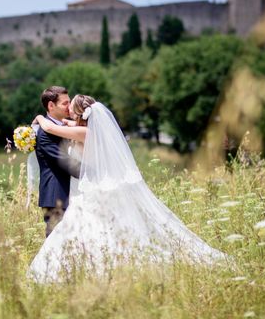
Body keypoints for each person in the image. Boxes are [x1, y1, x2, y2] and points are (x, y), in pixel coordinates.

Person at [28, 94, 230, 283]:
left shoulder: (84, 132)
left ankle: (87, 267)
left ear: (81, 114)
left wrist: (39, 117)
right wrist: (65, 121)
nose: (69, 112)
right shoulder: (91, 131)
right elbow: (67, 124)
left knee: (93, 229)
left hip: (95, 190)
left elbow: (53, 129)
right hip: (97, 187)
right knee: (105, 228)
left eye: (71, 109)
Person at [34, 86, 72, 237]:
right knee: (56, 245)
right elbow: (66, 163)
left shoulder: (67, 125)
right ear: (51, 105)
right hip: (56, 195)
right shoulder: (44, 134)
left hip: (71, 193)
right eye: (65, 103)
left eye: (69, 102)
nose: (69, 106)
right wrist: (96, 172)